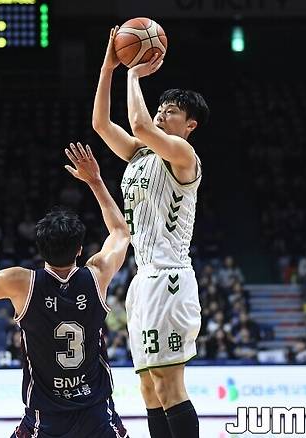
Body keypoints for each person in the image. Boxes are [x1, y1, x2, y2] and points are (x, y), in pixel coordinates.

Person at [0, 143, 130, 438]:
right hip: (96, 412)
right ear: (80, 250)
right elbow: (120, 232)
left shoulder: (21, 282)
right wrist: (95, 181)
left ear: (40, 250)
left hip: (45, 418)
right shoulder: (98, 275)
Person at [92, 27, 210, 437]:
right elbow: (101, 124)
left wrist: (133, 73)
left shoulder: (184, 155)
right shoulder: (140, 154)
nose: (162, 113)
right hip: (143, 279)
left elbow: (140, 124)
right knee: (148, 388)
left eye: (171, 111)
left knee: (168, 384)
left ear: (190, 124)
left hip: (170, 278)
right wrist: (109, 66)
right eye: (161, 107)